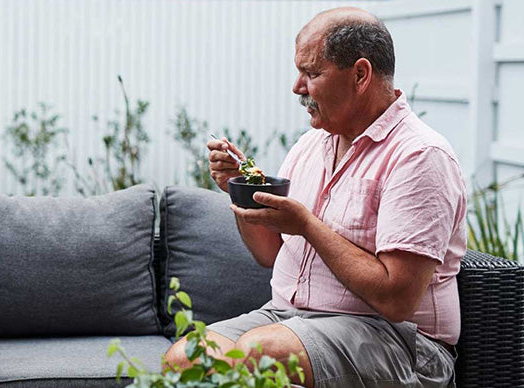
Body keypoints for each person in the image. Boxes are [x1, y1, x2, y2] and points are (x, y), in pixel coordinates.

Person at [165, 7, 466, 388]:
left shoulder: (419, 156)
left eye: (311, 73)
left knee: (259, 355)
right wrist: (241, 191)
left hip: (397, 340)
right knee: (186, 359)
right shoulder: (311, 145)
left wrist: (307, 225)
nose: (297, 86)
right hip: (289, 319)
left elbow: (397, 300)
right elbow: (269, 253)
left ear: (360, 75)